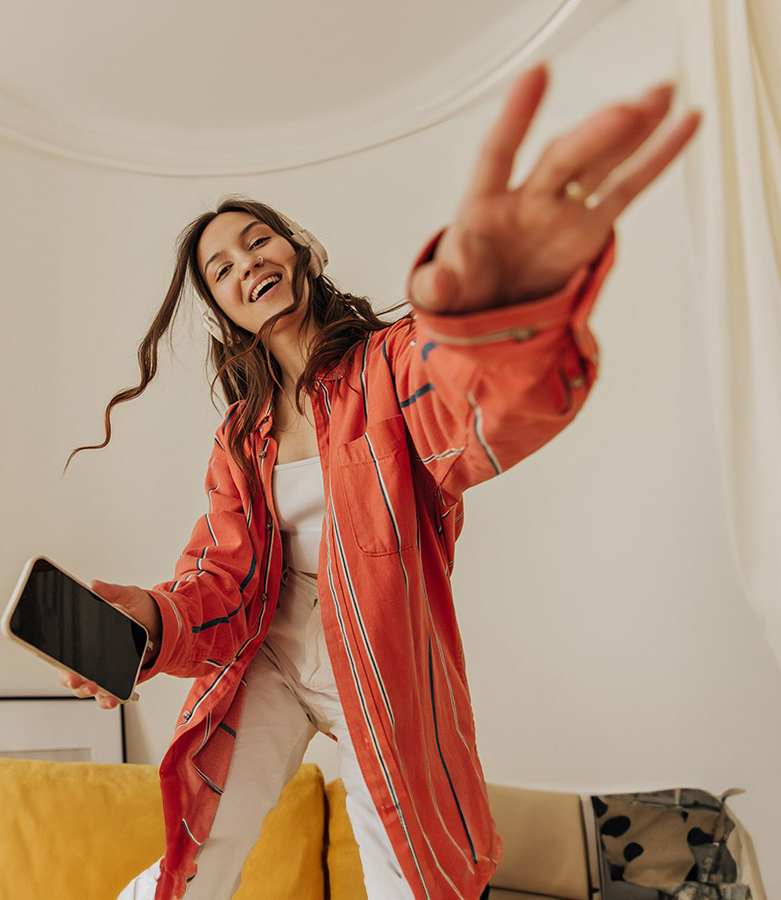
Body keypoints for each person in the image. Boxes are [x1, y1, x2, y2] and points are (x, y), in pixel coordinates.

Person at [61, 65, 700, 900]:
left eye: (257, 240)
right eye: (220, 268)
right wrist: (148, 618)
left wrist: (497, 315)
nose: (245, 263)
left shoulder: (390, 366)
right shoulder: (241, 437)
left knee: (410, 878)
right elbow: (219, 581)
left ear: (296, 250)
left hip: (384, 667)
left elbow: (471, 409)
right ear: (223, 309)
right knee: (196, 862)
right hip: (267, 662)